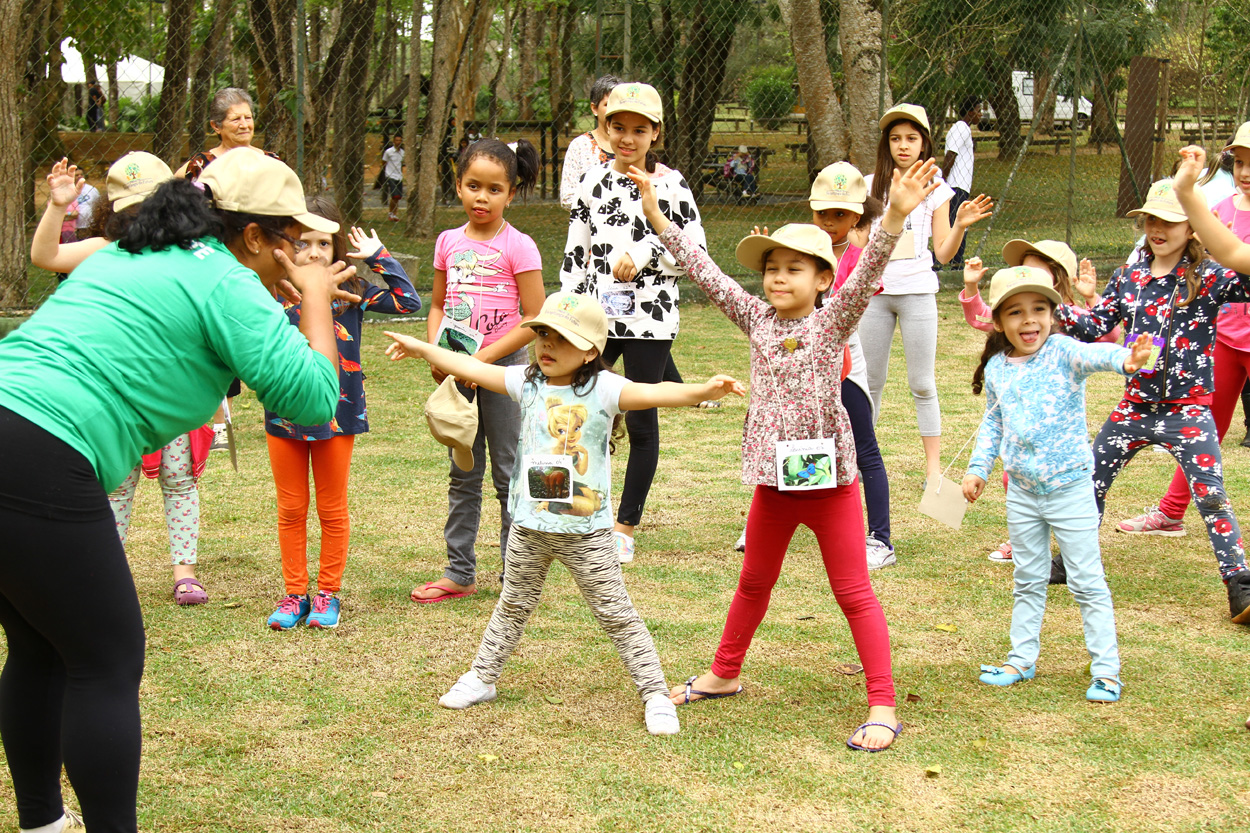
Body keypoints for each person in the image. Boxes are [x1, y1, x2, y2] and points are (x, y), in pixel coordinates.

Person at [0, 150, 349, 832]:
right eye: (292, 237)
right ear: (254, 235)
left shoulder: (129, 253)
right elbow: (314, 398)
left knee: (41, 645)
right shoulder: (225, 280)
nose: (300, 252)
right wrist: (313, 296)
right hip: (45, 449)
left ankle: (43, 822)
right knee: (106, 660)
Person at [631, 158, 942, 752]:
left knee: (853, 592)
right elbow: (706, 273)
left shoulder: (833, 321)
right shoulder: (755, 318)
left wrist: (896, 215)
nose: (777, 278)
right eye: (771, 268)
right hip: (773, 486)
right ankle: (724, 673)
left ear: (823, 280)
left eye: (793, 269)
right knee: (752, 582)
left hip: (830, 488)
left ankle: (882, 703)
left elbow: (869, 267)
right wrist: (658, 218)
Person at [384, 292, 744, 736]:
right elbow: (472, 367)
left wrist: (703, 391)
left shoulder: (605, 388)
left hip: (587, 532)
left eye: (562, 338)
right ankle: (482, 677)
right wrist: (421, 347)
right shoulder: (526, 382)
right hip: (529, 528)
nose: (547, 345)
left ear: (591, 350)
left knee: (616, 613)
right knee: (512, 605)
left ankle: (654, 694)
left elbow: (655, 392)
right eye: (542, 335)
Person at [1055, 173, 1250, 624]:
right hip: (1135, 407)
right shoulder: (1129, 276)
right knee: (1089, 480)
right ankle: (1069, 561)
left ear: (1192, 226)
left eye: (1170, 221)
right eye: (1150, 220)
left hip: (1189, 410)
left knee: (1212, 496)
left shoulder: (1210, 276)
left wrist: (1225, 241)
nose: (1157, 229)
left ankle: (1240, 586)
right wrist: (1047, 303)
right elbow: (1094, 325)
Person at [30, 153, 223, 607]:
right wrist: (57, 205)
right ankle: (105, 573)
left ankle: (185, 573)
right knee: (116, 483)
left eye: (150, 204)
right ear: (112, 211)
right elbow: (45, 256)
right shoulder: (106, 249)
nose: (142, 216)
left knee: (179, 479)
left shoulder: (190, 254)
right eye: (131, 208)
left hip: (171, 393)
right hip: (116, 396)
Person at [963, 266, 1153, 704]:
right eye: (1016, 312)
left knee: (1087, 581)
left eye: (1039, 309)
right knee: (1027, 578)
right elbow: (993, 422)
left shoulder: (1064, 351)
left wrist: (1126, 361)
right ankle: (1020, 659)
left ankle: (1106, 671)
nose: (1029, 320)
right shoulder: (997, 368)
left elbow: (1096, 355)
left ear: (1053, 314)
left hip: (1070, 489)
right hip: (1022, 494)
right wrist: (978, 469)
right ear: (998, 322)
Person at [559, 81, 706, 564]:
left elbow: (695, 251)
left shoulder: (673, 185)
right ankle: (583, 510)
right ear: (603, 128)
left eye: (639, 130)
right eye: (617, 127)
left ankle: (624, 526)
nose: (627, 138)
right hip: (595, 319)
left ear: (655, 133)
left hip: (650, 319)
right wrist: (567, 311)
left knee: (641, 420)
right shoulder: (592, 182)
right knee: (583, 414)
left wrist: (646, 253)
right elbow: (575, 253)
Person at [266, 199, 420, 630]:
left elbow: (408, 302)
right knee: (291, 507)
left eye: (323, 243)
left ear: (337, 248)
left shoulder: (353, 291)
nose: (314, 253)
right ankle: (294, 594)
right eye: (302, 243)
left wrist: (377, 256)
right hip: (283, 413)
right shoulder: (274, 292)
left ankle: (327, 594)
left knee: (331, 508)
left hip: (339, 413)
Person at [733, 162, 894, 569]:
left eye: (840, 214)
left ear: (857, 215)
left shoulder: (860, 252)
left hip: (839, 355)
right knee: (783, 429)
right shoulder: (799, 242)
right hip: (795, 358)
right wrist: (777, 260)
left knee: (863, 443)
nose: (830, 222)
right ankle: (766, 519)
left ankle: (880, 536)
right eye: (823, 212)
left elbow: (859, 289)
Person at [411, 138, 546, 603]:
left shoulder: (520, 246)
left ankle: (516, 578)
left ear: (511, 193)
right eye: (473, 186)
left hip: (504, 371)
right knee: (463, 472)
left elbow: (535, 319)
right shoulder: (447, 242)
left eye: (494, 189)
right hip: (458, 370)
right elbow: (436, 304)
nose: (482, 198)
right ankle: (459, 572)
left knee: (508, 473)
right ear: (458, 186)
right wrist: (440, 355)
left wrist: (482, 361)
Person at [1118, 125, 1250, 540]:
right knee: (1203, 429)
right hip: (1226, 337)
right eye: (1240, 162)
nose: (1246, 172)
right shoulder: (1221, 209)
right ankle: (1171, 512)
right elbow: (1189, 267)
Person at [959, 239, 1121, 562]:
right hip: (1022, 453)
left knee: (1081, 559)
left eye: (1036, 271)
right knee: (1016, 479)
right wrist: (971, 287)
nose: (1028, 318)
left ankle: (1065, 537)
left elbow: (1106, 338)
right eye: (1023, 268)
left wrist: (1093, 300)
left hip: (1063, 459)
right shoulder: (1001, 359)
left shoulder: (1066, 325)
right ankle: (1026, 537)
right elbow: (982, 317)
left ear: (1057, 280)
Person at [857, 104, 992, 485]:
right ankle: (861, 463)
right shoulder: (869, 185)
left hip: (918, 292)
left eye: (911, 138)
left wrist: (960, 225)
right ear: (886, 144)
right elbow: (859, 243)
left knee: (922, 383)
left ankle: (934, 471)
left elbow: (944, 254)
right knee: (870, 382)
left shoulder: (937, 188)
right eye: (895, 138)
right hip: (875, 294)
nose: (903, 145)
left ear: (924, 144)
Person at [175, 87, 278, 181]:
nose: (244, 125)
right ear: (216, 126)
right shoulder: (201, 165)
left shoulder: (272, 161)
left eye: (248, 118)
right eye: (236, 119)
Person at [559, 74, 621, 210]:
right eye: (608, 104)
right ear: (594, 108)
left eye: (619, 104)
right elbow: (567, 197)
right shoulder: (580, 146)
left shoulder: (633, 145)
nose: (614, 110)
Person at [941, 95, 981, 267]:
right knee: (955, 225)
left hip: (961, 185)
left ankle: (955, 261)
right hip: (955, 185)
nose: (981, 114)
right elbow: (951, 154)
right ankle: (950, 262)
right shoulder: (961, 127)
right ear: (970, 112)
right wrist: (943, 181)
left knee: (958, 224)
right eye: (979, 111)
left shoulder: (965, 129)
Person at [381, 133, 405, 221]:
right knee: (395, 195)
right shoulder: (388, 152)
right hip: (390, 175)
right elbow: (384, 162)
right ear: (394, 141)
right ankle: (391, 213)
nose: (398, 142)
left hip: (399, 176)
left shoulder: (402, 152)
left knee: (398, 197)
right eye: (396, 140)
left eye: (400, 140)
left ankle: (394, 214)